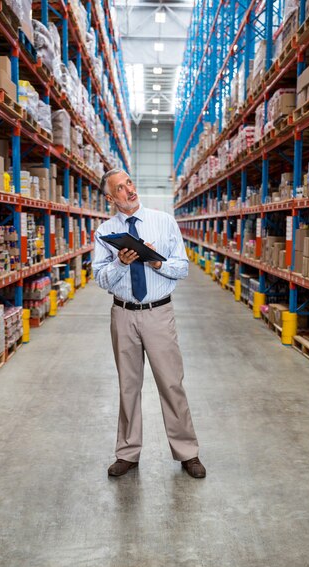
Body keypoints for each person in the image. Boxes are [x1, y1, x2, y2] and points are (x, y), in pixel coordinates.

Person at [93, 169, 206, 479]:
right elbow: (100, 278)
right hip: (123, 314)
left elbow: (182, 268)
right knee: (128, 386)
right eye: (120, 187)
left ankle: (187, 452)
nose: (129, 190)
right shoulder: (104, 232)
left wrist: (155, 261)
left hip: (158, 313)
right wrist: (121, 262)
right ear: (110, 198)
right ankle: (127, 453)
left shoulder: (163, 221)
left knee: (171, 382)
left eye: (129, 182)